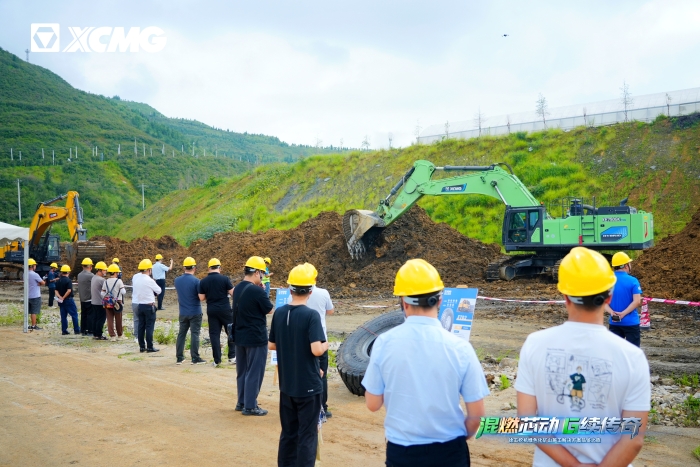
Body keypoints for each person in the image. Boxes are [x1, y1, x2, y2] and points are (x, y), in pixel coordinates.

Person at [516, 247, 650, 467]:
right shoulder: (632, 357)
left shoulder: (535, 344)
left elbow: (527, 421)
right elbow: (633, 438)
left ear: (565, 296)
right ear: (609, 296)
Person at [362, 259, 488, 467]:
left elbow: (373, 404)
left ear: (403, 302)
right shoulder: (460, 348)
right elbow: (477, 415)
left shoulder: (384, 343)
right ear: (439, 300)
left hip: (402, 452)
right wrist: (456, 439)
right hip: (450, 452)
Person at [269, 263, 327, 467]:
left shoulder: (279, 312)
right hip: (308, 386)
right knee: (307, 434)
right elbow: (317, 350)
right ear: (310, 291)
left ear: (290, 289)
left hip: (287, 385)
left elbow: (271, 345)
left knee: (289, 432)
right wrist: (326, 344)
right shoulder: (311, 315)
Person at [233, 256, 275, 416]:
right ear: (257, 272)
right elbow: (269, 309)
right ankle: (250, 406)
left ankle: (242, 402)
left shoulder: (238, 288)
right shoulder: (257, 291)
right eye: (262, 273)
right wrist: (263, 292)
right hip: (255, 336)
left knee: (242, 370)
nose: (262, 276)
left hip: (239, 335)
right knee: (254, 371)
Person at [303, 264, 335, 418]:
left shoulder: (292, 295)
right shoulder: (323, 293)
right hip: (320, 340)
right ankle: (322, 406)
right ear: (315, 277)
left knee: (303, 372)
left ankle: (305, 405)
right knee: (321, 373)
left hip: (301, 341)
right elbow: (330, 311)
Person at [197, 258, 235, 366]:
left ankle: (217, 360)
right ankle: (232, 357)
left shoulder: (203, 281)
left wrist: (210, 295)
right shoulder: (225, 279)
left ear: (209, 268)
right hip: (225, 309)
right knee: (231, 331)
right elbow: (233, 293)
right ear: (220, 268)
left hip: (212, 310)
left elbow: (201, 298)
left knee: (214, 334)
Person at [606, 251, 643, 347]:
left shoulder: (608, 281)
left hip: (614, 323)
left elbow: (603, 302)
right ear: (626, 266)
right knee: (633, 352)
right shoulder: (633, 281)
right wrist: (623, 314)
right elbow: (637, 301)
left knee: (615, 352)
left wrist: (612, 312)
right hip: (631, 322)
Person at [175, 257, 206, 365]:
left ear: (184, 268)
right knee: (195, 334)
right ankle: (195, 357)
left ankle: (179, 357)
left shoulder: (177, 280)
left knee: (181, 334)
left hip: (183, 312)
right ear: (194, 268)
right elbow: (201, 298)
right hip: (195, 311)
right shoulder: (196, 281)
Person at [132, 259, 162, 353]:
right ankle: (150, 346)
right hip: (149, 306)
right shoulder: (149, 280)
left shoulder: (136, 279)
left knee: (141, 326)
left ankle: (142, 346)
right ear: (149, 269)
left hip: (140, 305)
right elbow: (159, 290)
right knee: (149, 327)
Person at [102, 264, 126, 341]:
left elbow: (102, 293)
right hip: (117, 302)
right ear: (115, 273)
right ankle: (120, 335)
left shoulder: (106, 281)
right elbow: (123, 292)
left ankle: (112, 336)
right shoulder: (119, 281)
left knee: (109, 319)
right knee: (118, 319)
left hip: (108, 301)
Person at [55, 265, 81, 335]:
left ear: (61, 272)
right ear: (68, 272)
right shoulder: (68, 280)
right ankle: (76, 330)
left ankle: (64, 330)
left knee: (63, 316)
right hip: (68, 300)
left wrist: (60, 297)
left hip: (61, 301)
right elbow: (69, 290)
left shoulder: (58, 280)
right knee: (74, 315)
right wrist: (63, 297)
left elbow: (56, 290)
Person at [90, 262, 108, 340]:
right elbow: (107, 290)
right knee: (101, 319)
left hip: (94, 301)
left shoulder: (94, 277)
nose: (105, 271)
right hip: (100, 302)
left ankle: (95, 334)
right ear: (100, 270)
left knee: (95, 318)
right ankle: (99, 334)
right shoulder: (101, 280)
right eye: (104, 270)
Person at [77, 257, 94, 336]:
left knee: (83, 314)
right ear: (90, 266)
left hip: (82, 298)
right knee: (90, 315)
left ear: (82, 266)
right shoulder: (91, 275)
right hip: (89, 298)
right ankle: (90, 330)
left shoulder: (79, 275)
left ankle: (83, 330)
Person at [27, 258, 45, 330]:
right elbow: (43, 283)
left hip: (28, 295)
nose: (35, 266)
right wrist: (40, 283)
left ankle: (27, 324)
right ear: (32, 266)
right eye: (35, 265)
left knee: (28, 311)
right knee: (34, 312)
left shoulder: (25, 274)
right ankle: (34, 325)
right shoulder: (35, 274)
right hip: (35, 295)